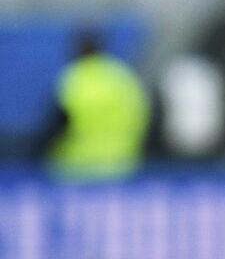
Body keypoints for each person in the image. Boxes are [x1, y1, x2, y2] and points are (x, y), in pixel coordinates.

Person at [38, 29, 151, 180]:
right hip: (120, 165)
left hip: (77, 167)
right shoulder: (122, 77)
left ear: (76, 50)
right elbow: (142, 115)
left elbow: (59, 123)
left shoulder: (74, 78)